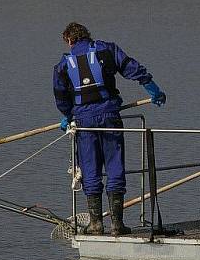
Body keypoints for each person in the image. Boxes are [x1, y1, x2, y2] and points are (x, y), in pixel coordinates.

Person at [53, 22, 166, 236]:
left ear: (69, 40)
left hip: (84, 121)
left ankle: (96, 224)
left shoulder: (63, 64)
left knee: (89, 168)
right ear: (87, 35)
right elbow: (132, 68)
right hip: (109, 116)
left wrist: (67, 117)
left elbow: (60, 95)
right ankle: (117, 224)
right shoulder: (107, 49)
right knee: (114, 165)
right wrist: (153, 89)